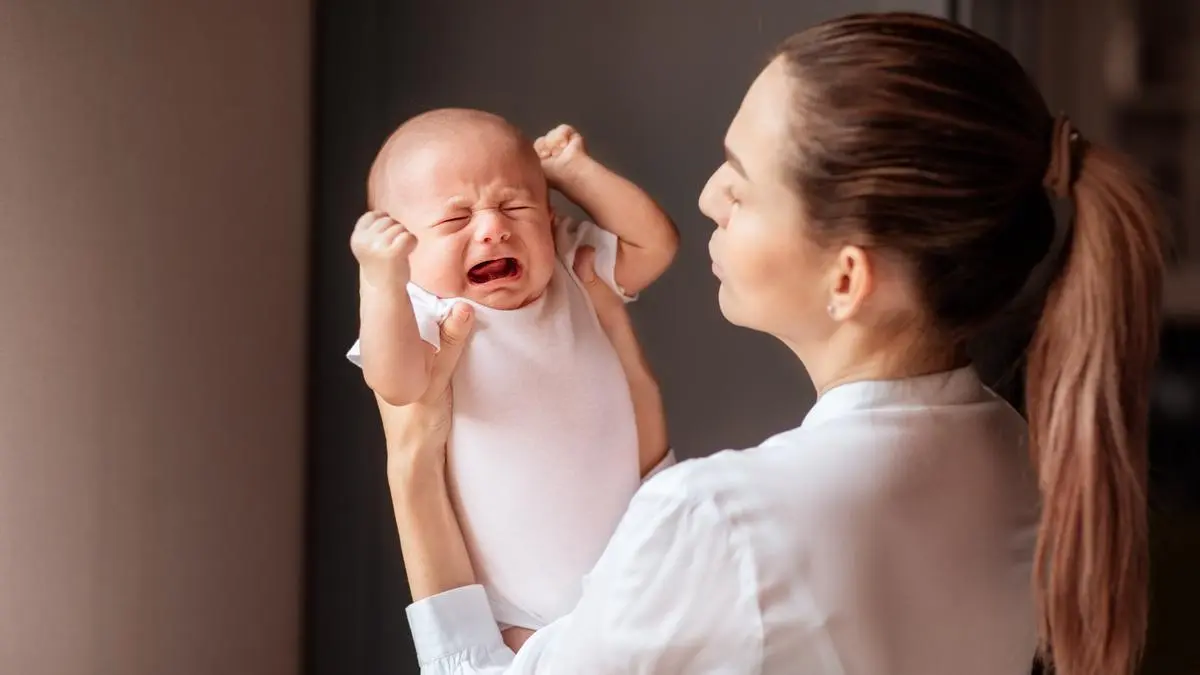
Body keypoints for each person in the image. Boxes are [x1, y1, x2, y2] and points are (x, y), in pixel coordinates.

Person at [376, 12, 1164, 675]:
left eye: (740, 181)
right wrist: (643, 421)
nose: (708, 198)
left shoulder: (722, 523)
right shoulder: (1019, 452)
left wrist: (411, 467)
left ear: (847, 278)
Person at [346, 109, 678, 649]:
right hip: (516, 614)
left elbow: (655, 246)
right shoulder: (424, 310)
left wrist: (576, 173)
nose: (493, 227)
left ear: (549, 219)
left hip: (634, 575)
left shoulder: (570, 267)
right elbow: (398, 383)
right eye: (456, 221)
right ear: (406, 251)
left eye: (515, 206)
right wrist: (381, 282)